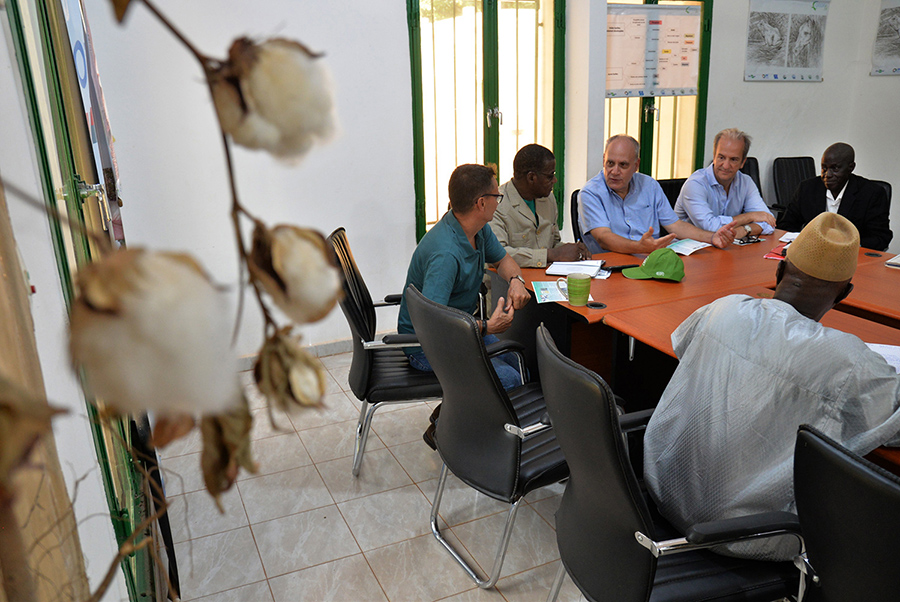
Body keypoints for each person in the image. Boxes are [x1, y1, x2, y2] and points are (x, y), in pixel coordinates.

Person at [643, 212, 900, 562]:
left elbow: (683, 346)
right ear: (845, 294)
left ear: (778, 271)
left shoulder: (724, 308)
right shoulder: (847, 360)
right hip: (748, 537)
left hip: (662, 492)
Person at [397, 163, 531, 391]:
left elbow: (503, 260)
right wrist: (488, 326)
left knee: (520, 368)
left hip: (460, 331)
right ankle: (450, 424)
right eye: (496, 197)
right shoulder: (445, 255)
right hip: (427, 346)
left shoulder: (477, 229)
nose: (498, 202)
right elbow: (435, 326)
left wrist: (516, 281)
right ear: (481, 203)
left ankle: (453, 417)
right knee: (509, 381)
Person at [578, 135, 735, 254]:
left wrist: (713, 237)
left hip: (650, 260)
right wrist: (639, 247)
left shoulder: (649, 185)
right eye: (610, 163)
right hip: (611, 266)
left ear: (636, 165)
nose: (614, 171)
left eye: (623, 165)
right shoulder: (591, 193)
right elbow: (603, 238)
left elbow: (676, 226)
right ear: (603, 160)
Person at [777, 142, 893, 250]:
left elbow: (880, 238)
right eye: (824, 168)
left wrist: (847, 246)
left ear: (851, 167)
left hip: (851, 257)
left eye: (835, 168)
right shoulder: (807, 188)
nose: (828, 175)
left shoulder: (872, 193)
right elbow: (786, 225)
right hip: (813, 253)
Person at [491, 144, 590, 267]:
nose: (555, 180)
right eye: (550, 176)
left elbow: (553, 244)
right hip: (507, 282)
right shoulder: (496, 204)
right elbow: (496, 255)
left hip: (545, 278)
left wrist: (573, 250)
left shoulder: (548, 199)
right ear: (531, 177)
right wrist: (551, 255)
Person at [674, 128, 776, 240]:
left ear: (742, 163)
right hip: (689, 250)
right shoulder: (695, 184)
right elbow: (711, 228)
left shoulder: (746, 182)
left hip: (724, 248)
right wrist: (750, 216)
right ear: (714, 156)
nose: (726, 166)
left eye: (733, 159)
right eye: (721, 157)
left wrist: (744, 230)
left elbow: (769, 222)